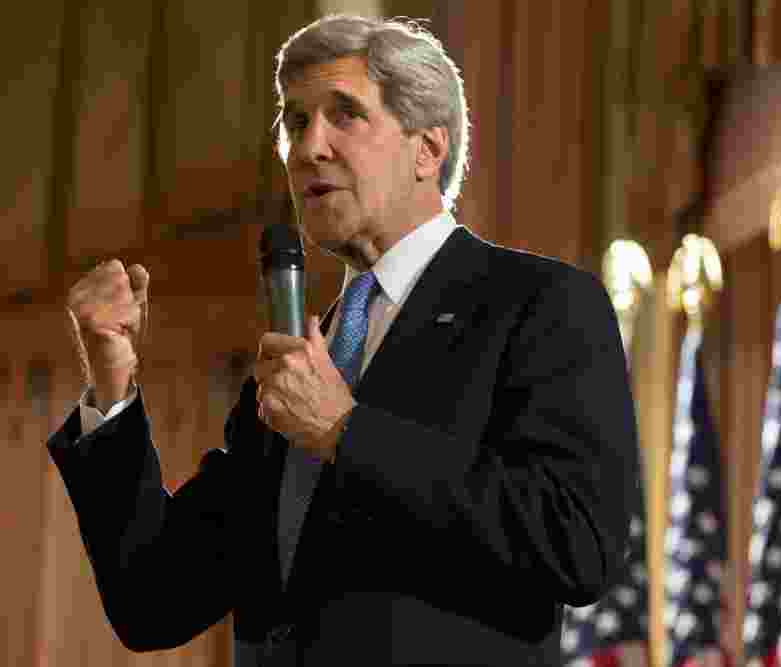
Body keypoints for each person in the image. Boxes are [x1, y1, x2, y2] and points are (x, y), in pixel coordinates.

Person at [48, 14, 639, 667]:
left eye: (345, 115)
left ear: (428, 149)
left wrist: (347, 432)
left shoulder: (538, 304)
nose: (308, 148)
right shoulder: (301, 361)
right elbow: (154, 597)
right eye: (296, 123)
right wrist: (111, 379)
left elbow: (576, 540)